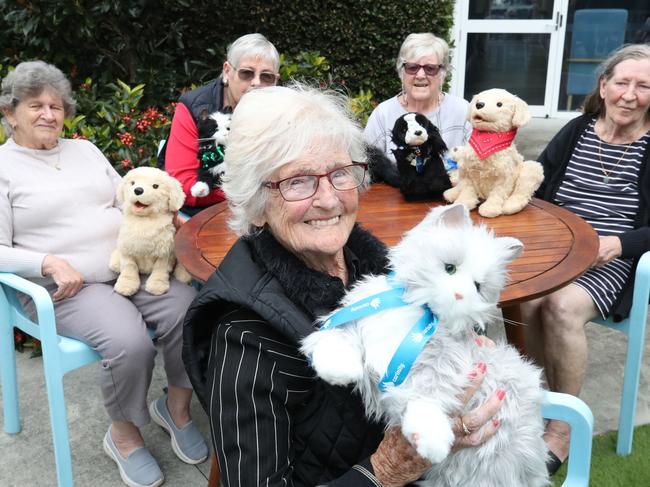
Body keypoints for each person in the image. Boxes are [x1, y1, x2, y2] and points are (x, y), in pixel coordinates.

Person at [182, 83, 505, 487]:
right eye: (297, 181)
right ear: (255, 204)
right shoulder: (245, 340)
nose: (330, 200)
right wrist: (384, 470)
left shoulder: (371, 264)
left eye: (340, 173)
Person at [0, 61, 208, 487]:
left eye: (56, 106)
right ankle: (124, 436)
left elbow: (127, 198)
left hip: (131, 265)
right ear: (9, 112)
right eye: (36, 105)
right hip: (66, 288)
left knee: (193, 311)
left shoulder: (85, 150)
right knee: (129, 342)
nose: (48, 114)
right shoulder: (4, 166)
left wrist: (171, 221)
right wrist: (48, 262)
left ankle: (176, 409)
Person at [521, 44, 650, 475]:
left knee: (559, 307)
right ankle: (535, 399)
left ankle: (561, 427)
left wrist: (620, 244)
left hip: (607, 259)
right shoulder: (576, 130)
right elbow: (536, 187)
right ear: (604, 86)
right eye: (622, 82)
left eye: (643, 85)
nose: (629, 95)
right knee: (522, 301)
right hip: (556, 250)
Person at [159, 33, 280, 216]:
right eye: (246, 73)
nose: (256, 83)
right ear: (227, 71)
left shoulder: (283, 107)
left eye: (267, 77)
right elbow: (183, 186)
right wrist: (250, 192)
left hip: (261, 207)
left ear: (276, 80)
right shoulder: (193, 107)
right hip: (204, 210)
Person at [364, 32, 471, 163]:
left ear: (442, 74)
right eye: (412, 67)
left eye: (430, 68)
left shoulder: (463, 111)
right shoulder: (383, 114)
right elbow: (366, 165)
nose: (420, 75)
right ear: (401, 72)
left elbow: (478, 166)